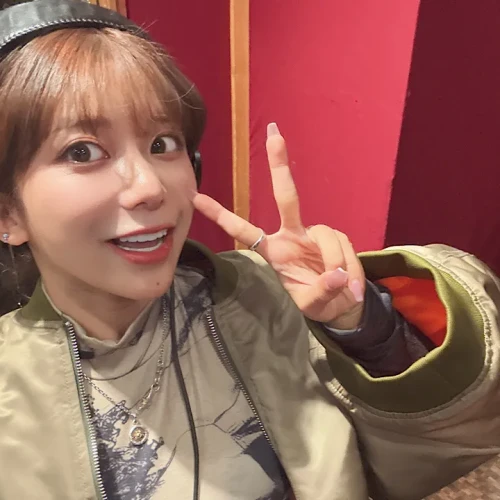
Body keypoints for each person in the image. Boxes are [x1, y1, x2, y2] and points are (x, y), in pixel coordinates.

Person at [1, 1, 499, 500]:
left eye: (162, 144)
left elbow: (438, 452)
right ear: (8, 214)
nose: (151, 187)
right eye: (82, 151)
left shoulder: (266, 301)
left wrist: (363, 325)